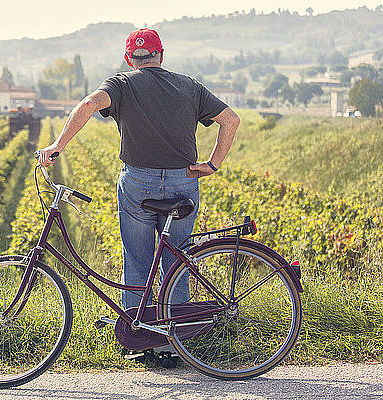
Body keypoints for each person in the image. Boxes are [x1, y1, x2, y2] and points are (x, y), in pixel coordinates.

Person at [38, 28, 239, 364]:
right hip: (183, 182)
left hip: (138, 184)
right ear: (161, 54)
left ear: (130, 58)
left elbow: (89, 104)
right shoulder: (189, 85)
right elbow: (230, 120)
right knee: (176, 261)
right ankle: (172, 343)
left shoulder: (122, 83)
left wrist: (58, 145)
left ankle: (139, 337)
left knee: (137, 258)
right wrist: (213, 164)